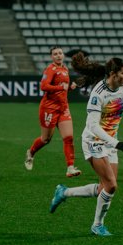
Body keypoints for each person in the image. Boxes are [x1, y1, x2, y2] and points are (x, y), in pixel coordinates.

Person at [48, 51, 123, 236]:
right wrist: (116, 143)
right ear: (113, 74)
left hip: (110, 141)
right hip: (94, 141)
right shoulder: (98, 94)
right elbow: (93, 126)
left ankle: (64, 193)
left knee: (104, 187)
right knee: (111, 186)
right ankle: (97, 225)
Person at [24, 45, 81, 177]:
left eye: (60, 53)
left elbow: (63, 88)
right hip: (49, 108)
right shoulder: (50, 69)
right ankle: (30, 153)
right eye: (55, 54)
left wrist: (70, 88)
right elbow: (43, 86)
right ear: (51, 57)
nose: (58, 55)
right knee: (45, 139)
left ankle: (70, 168)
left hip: (63, 108)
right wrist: (61, 87)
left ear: (63, 55)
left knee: (69, 138)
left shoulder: (65, 69)